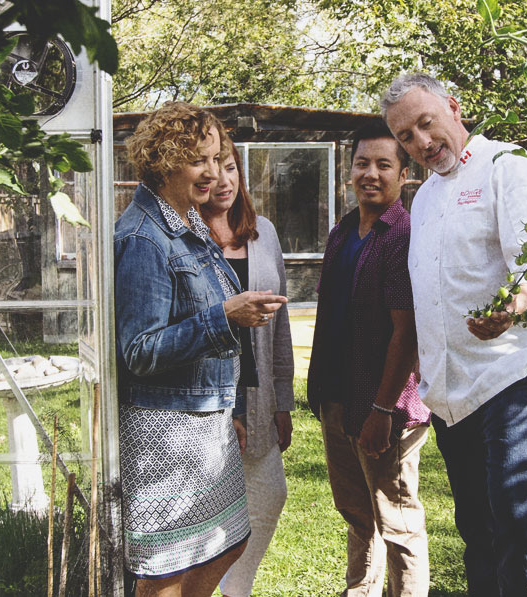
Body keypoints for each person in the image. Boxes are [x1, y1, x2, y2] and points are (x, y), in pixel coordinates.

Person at [381, 72, 527, 596]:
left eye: (426, 123)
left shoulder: (507, 166)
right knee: (478, 534)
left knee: (518, 523)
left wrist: (515, 305)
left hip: (511, 377)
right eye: (405, 137)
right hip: (452, 394)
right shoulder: (424, 199)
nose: (420, 142)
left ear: (454, 108)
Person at [114, 102, 289, 596]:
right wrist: (225, 316)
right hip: (167, 432)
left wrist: (226, 406)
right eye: (200, 161)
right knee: (166, 571)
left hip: (205, 420)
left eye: (218, 159)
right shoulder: (145, 238)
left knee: (228, 543)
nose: (214, 173)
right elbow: (140, 352)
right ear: (164, 160)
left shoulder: (188, 223)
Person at [307, 121, 430, 597]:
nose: (371, 174)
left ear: (404, 175)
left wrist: (384, 412)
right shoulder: (343, 230)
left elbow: (407, 332)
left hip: (386, 407)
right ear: (349, 170)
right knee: (358, 514)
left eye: (384, 164)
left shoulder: (402, 235)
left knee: (397, 522)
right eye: (362, 163)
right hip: (338, 399)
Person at [205, 128, 296, 597]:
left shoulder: (264, 234)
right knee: (210, 504)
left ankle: (236, 588)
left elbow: (279, 326)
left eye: (231, 166)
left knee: (269, 497)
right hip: (207, 401)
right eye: (212, 166)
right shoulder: (185, 237)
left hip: (259, 396)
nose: (223, 179)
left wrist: (284, 399)